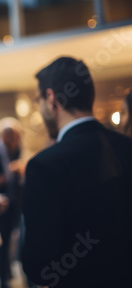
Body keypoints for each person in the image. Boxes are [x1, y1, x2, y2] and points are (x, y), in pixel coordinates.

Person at [21, 56, 132, 287]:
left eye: (38, 99)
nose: (40, 108)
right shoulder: (126, 147)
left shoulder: (44, 165)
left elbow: (38, 266)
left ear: (51, 99)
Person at [0, 117, 24, 288]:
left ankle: (6, 271)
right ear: (3, 134)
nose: (14, 139)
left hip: (14, 202)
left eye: (16, 135)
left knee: (9, 239)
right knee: (0, 241)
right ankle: (2, 275)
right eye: (11, 135)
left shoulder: (16, 150)